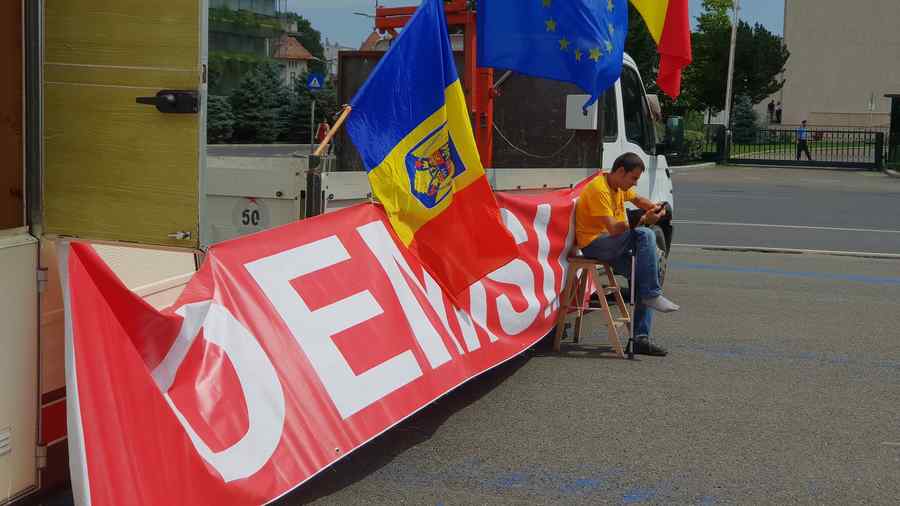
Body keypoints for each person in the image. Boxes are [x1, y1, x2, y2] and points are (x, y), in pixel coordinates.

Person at [575, 153, 679, 357]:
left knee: (640, 273)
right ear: (621, 171)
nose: (635, 183)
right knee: (644, 232)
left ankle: (640, 338)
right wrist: (641, 219)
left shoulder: (618, 185)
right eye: (633, 178)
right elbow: (614, 229)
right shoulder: (599, 189)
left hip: (613, 244)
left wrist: (657, 207)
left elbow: (638, 199)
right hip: (596, 244)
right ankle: (652, 294)